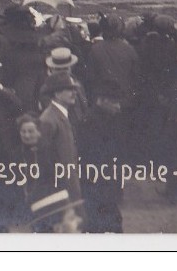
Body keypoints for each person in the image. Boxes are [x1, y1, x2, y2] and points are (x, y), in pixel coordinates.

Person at [79, 79, 127, 233]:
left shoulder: (108, 118)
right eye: (115, 102)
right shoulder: (89, 123)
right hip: (97, 188)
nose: (118, 107)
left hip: (106, 186)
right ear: (102, 101)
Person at [38, 73, 83, 212]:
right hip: (60, 191)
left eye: (74, 89)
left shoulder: (61, 115)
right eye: (69, 89)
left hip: (69, 186)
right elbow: (45, 161)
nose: (74, 93)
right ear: (57, 93)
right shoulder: (49, 119)